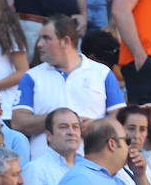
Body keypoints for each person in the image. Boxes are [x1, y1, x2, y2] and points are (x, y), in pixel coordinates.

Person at [9, 15, 124, 159]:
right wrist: (56, 120)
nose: (39, 44)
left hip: (94, 164)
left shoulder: (102, 73)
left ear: (65, 41)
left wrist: (96, 126)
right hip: (45, 165)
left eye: (46, 38)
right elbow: (18, 122)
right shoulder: (31, 76)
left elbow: (120, 117)